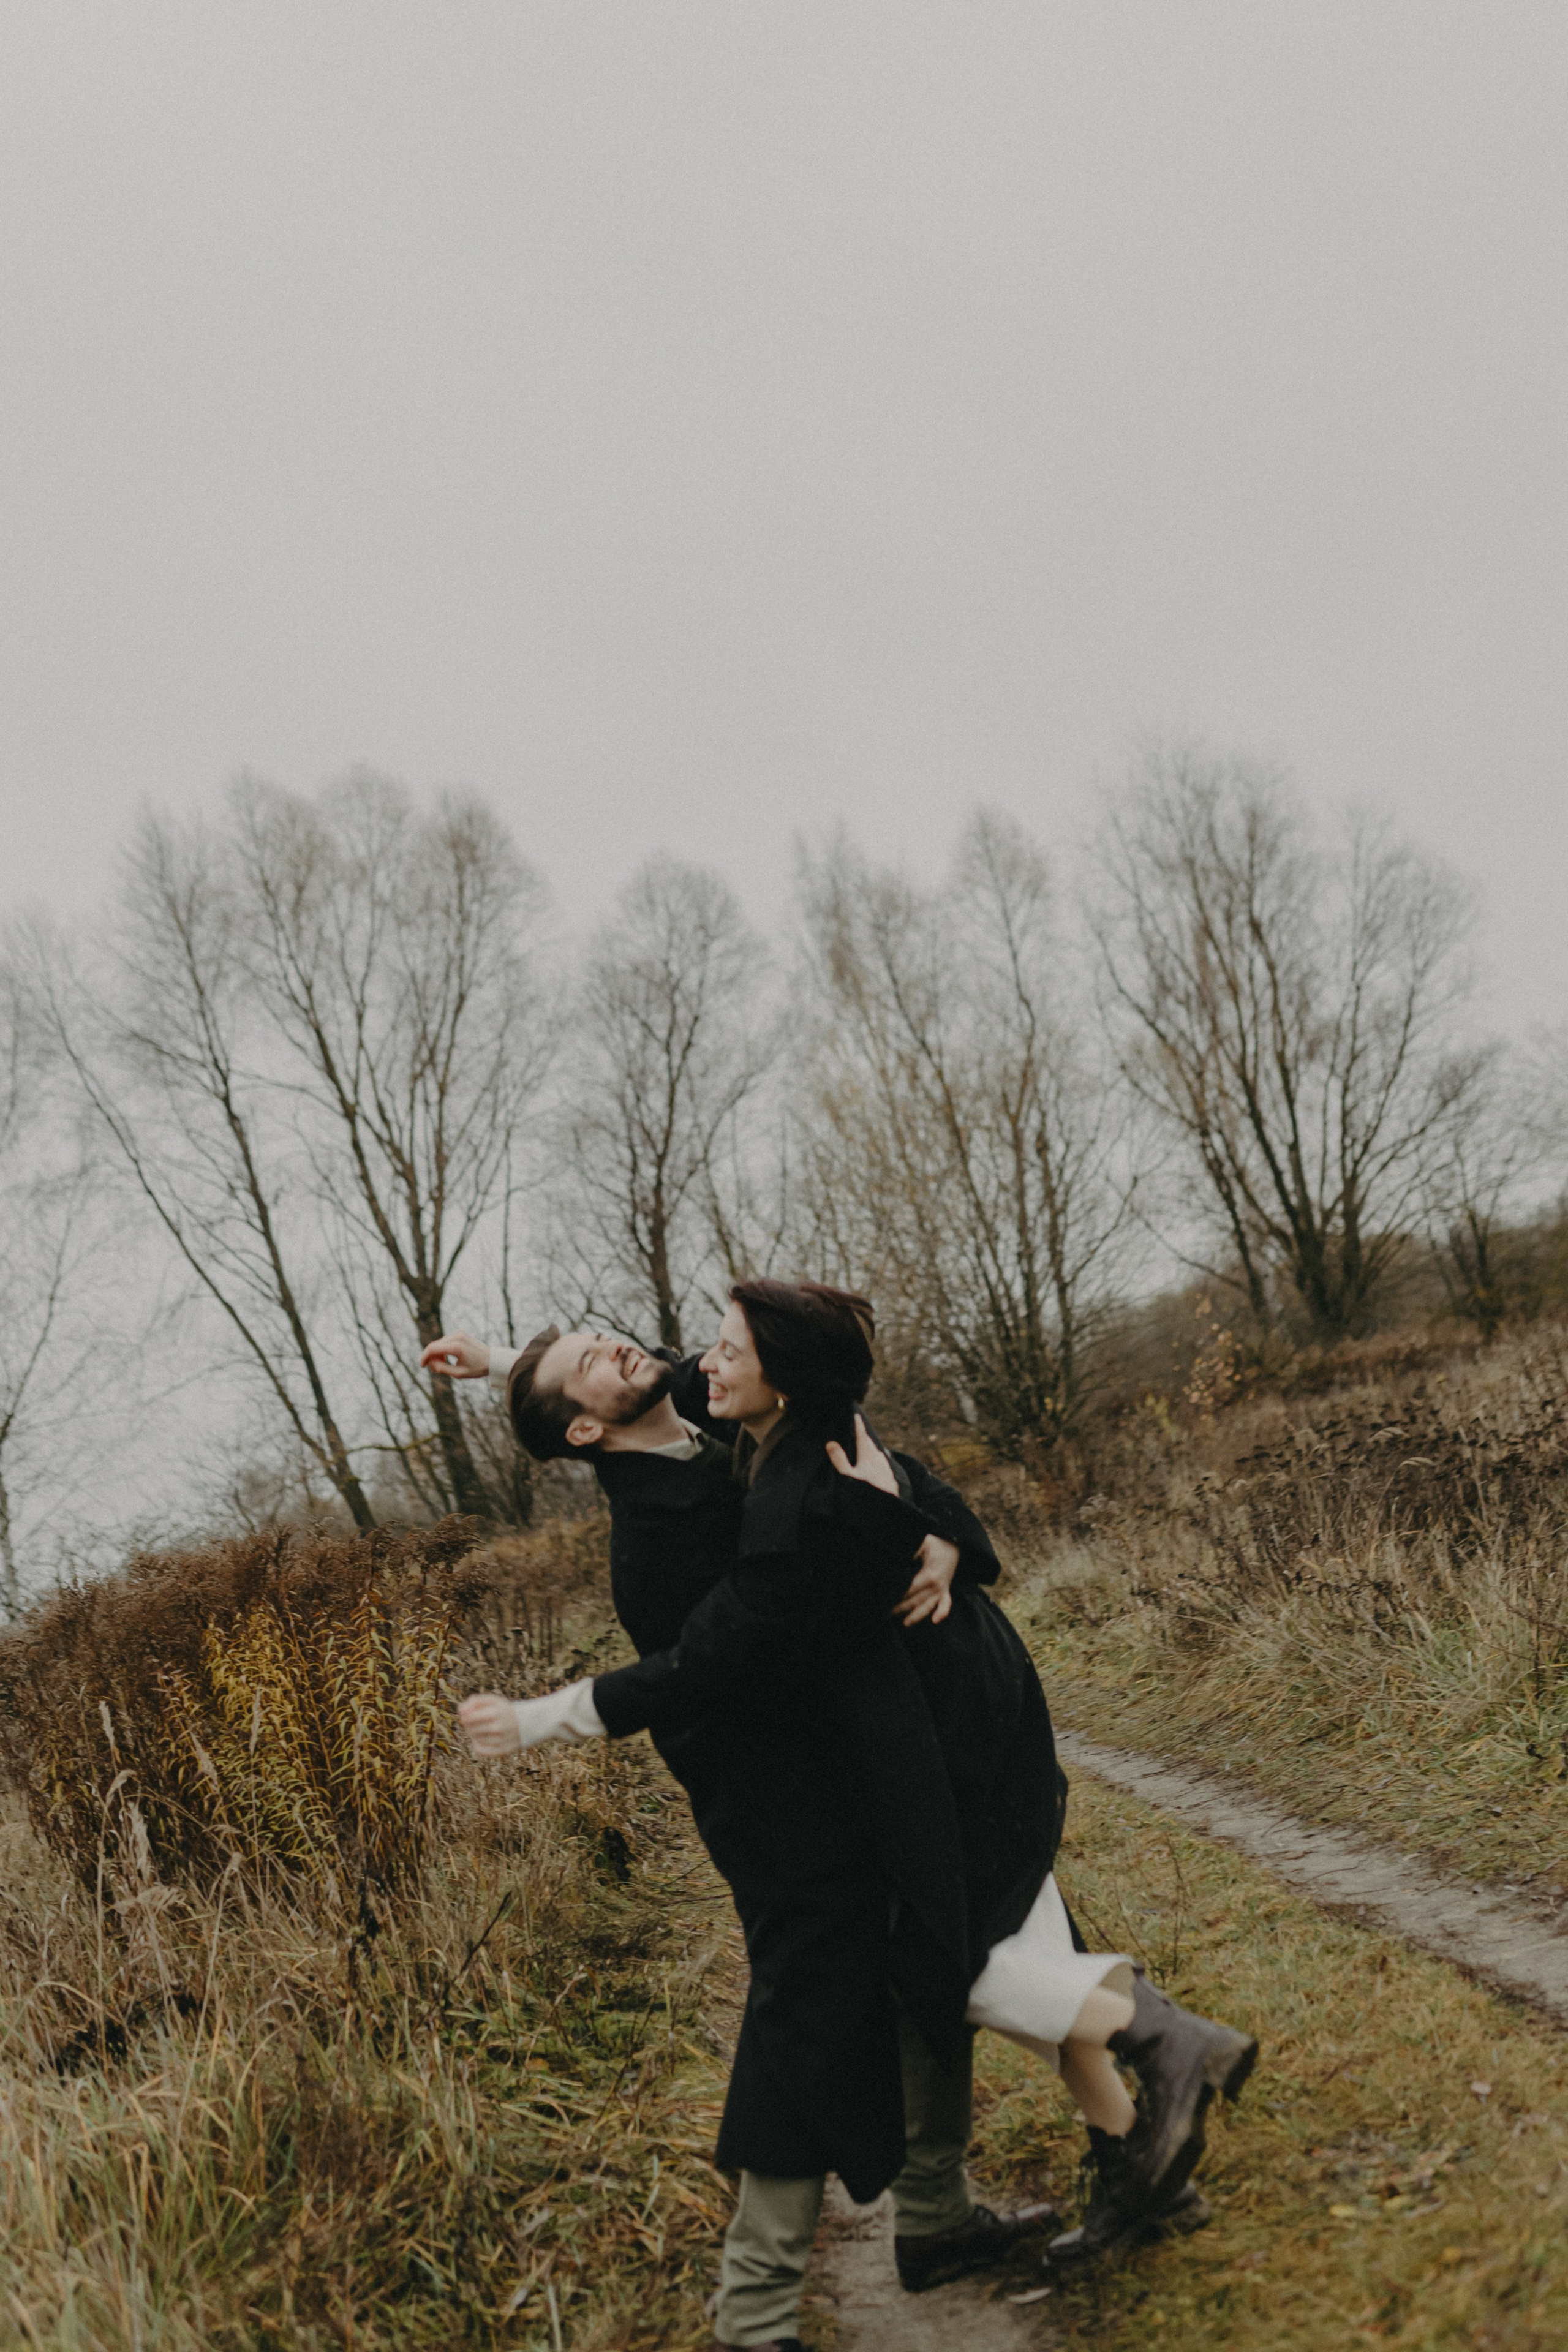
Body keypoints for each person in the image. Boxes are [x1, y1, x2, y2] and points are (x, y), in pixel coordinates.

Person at [432, 1287, 1254, 2342]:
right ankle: (758, 2314)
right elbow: (724, 1657)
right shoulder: (657, 1538)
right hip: (792, 1820)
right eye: (593, 1361)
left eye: (613, 1338)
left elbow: (859, 1451)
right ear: (586, 1432)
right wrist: (551, 1716)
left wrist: (937, 1536)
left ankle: (961, 2210)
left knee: (958, 1951)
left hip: (894, 1756)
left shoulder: (715, 1403)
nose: (637, 1350)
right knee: (825, 2024)